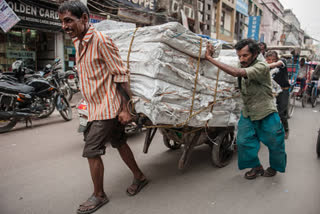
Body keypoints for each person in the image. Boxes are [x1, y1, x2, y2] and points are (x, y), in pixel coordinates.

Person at [58, 1, 148, 214]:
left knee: (91, 149)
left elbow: (120, 74)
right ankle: (140, 177)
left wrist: (126, 108)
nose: (64, 26)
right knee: (118, 142)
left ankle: (99, 195)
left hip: (109, 107)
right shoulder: (78, 42)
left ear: (85, 19)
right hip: (94, 107)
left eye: (69, 20)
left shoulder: (100, 41)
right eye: (62, 21)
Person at [205, 39, 286, 179]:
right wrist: (212, 53)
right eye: (239, 56)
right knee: (243, 141)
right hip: (248, 111)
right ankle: (256, 166)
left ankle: (274, 167)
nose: (241, 59)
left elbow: (237, 72)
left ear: (255, 54)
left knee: (275, 142)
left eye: (245, 56)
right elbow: (233, 68)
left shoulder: (260, 66)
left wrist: (209, 58)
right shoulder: (243, 63)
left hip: (265, 111)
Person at [266, 51, 290, 139]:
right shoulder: (265, 68)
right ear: (266, 59)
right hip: (272, 92)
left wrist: (267, 65)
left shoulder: (282, 62)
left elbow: (278, 63)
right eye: (269, 59)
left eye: (273, 59)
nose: (271, 61)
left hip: (284, 91)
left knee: (281, 113)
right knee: (270, 112)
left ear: (277, 59)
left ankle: (286, 129)